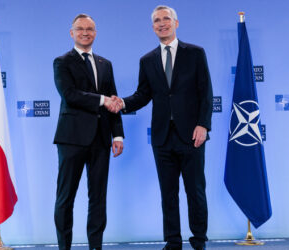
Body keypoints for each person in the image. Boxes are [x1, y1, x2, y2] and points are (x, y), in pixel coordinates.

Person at [109, 5, 213, 250]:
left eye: (166, 19)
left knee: (195, 192)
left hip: (192, 135)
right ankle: (173, 242)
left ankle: (199, 242)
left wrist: (203, 125)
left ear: (176, 23)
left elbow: (206, 92)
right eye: (157, 20)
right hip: (162, 138)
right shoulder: (147, 60)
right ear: (153, 26)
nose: (162, 23)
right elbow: (143, 95)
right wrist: (123, 103)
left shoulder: (196, 53)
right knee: (168, 194)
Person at [53, 14, 124, 250]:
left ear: (95, 33)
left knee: (98, 199)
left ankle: (96, 246)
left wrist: (118, 134)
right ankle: (65, 247)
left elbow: (113, 100)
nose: (86, 32)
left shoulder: (105, 64)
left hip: (101, 140)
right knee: (66, 198)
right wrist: (103, 100)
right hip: (71, 139)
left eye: (90, 29)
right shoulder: (62, 62)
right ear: (71, 33)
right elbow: (70, 95)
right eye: (80, 29)